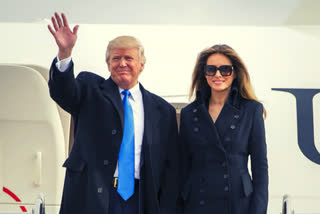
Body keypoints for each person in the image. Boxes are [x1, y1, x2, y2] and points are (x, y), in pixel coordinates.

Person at [47, 13, 179, 214]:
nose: (122, 63)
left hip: (141, 199)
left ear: (141, 65)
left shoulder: (163, 110)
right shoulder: (89, 89)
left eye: (129, 58)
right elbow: (63, 93)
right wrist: (65, 53)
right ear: (108, 64)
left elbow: (171, 166)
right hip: (93, 195)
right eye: (116, 58)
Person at [179, 44, 268, 214]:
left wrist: (259, 210)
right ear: (204, 73)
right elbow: (182, 167)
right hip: (197, 202)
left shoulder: (251, 110)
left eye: (225, 69)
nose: (218, 75)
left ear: (235, 73)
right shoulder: (189, 113)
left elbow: (260, 168)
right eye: (211, 69)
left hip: (238, 203)